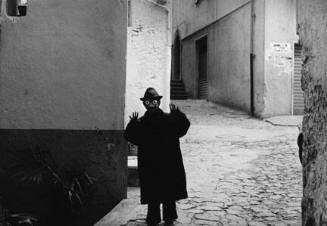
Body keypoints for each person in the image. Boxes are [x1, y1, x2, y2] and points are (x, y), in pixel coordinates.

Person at [124, 87, 190, 226]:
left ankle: (168, 216)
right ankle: (156, 217)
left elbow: (183, 128)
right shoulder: (142, 122)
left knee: (166, 192)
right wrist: (132, 124)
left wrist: (178, 115)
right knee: (155, 191)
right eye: (148, 102)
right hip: (154, 164)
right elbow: (131, 137)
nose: (151, 105)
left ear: (158, 102)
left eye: (153, 102)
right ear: (145, 104)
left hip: (164, 163)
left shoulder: (168, 119)